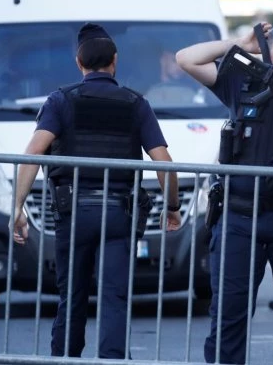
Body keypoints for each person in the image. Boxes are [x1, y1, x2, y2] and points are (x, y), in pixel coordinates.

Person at [11, 23, 182, 359]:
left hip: (73, 214)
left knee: (72, 297)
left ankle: (66, 360)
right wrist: (172, 207)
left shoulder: (60, 101)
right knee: (115, 297)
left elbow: (33, 153)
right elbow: (164, 161)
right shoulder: (136, 103)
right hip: (119, 214)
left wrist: (17, 207)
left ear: (79, 63)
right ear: (114, 60)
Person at [175, 15, 273, 365]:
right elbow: (185, 59)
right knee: (229, 314)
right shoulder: (242, 77)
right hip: (239, 215)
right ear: (267, 51)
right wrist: (242, 45)